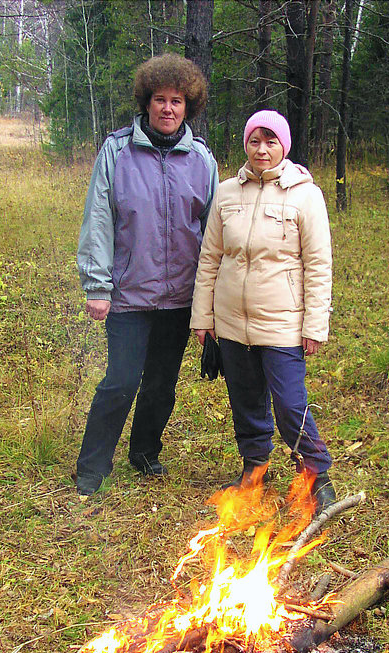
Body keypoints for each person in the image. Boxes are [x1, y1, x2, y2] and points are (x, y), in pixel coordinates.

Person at [75, 53, 218, 497]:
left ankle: (144, 452)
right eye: (160, 99)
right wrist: (98, 286)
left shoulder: (202, 161)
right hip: (129, 297)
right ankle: (93, 467)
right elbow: (99, 220)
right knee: (120, 380)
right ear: (146, 102)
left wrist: (212, 302)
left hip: (180, 299)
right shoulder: (117, 151)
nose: (168, 108)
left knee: (161, 384)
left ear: (188, 106)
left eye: (177, 101)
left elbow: (215, 233)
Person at [190, 109, 336, 514]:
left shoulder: (306, 195)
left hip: (283, 323)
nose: (262, 149)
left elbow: (319, 264)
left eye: (271, 141)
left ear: (284, 147)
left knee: (290, 403)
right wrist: (203, 318)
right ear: (245, 145)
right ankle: (255, 466)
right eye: (255, 140)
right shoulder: (226, 192)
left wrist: (315, 325)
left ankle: (315, 474)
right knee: (245, 399)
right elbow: (210, 258)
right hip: (232, 323)